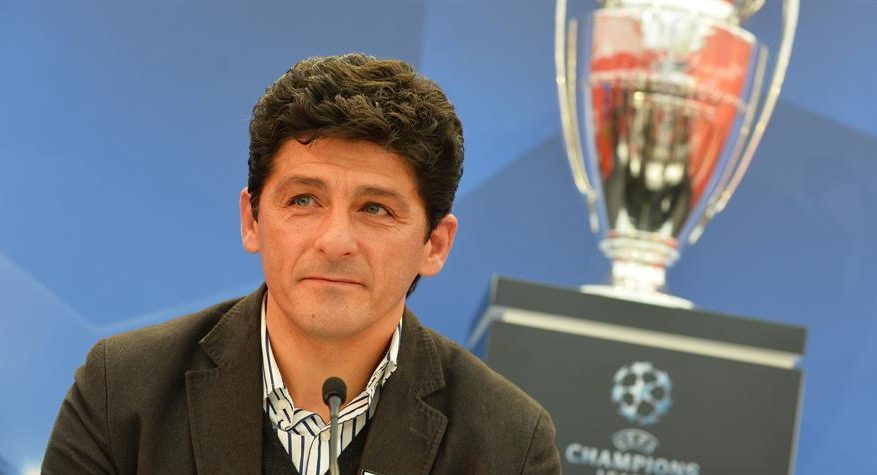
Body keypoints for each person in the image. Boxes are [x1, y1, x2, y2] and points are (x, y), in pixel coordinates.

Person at [43, 53, 561, 474]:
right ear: (252, 220)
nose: (335, 242)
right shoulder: (122, 393)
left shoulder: (509, 444)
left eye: (375, 209)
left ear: (435, 245)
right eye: (304, 200)